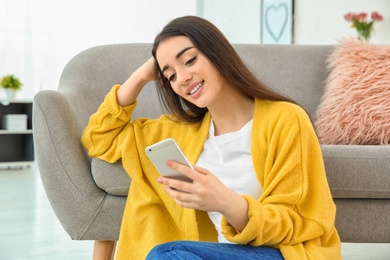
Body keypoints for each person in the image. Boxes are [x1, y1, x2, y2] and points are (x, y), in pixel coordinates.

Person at [82, 16, 341, 259]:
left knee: (167, 254)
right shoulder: (177, 131)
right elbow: (99, 138)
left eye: (190, 60)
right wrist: (140, 76)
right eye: (170, 75)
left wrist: (227, 203)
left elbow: (302, 221)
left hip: (278, 253)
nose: (182, 78)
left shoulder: (286, 119)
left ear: (217, 53)